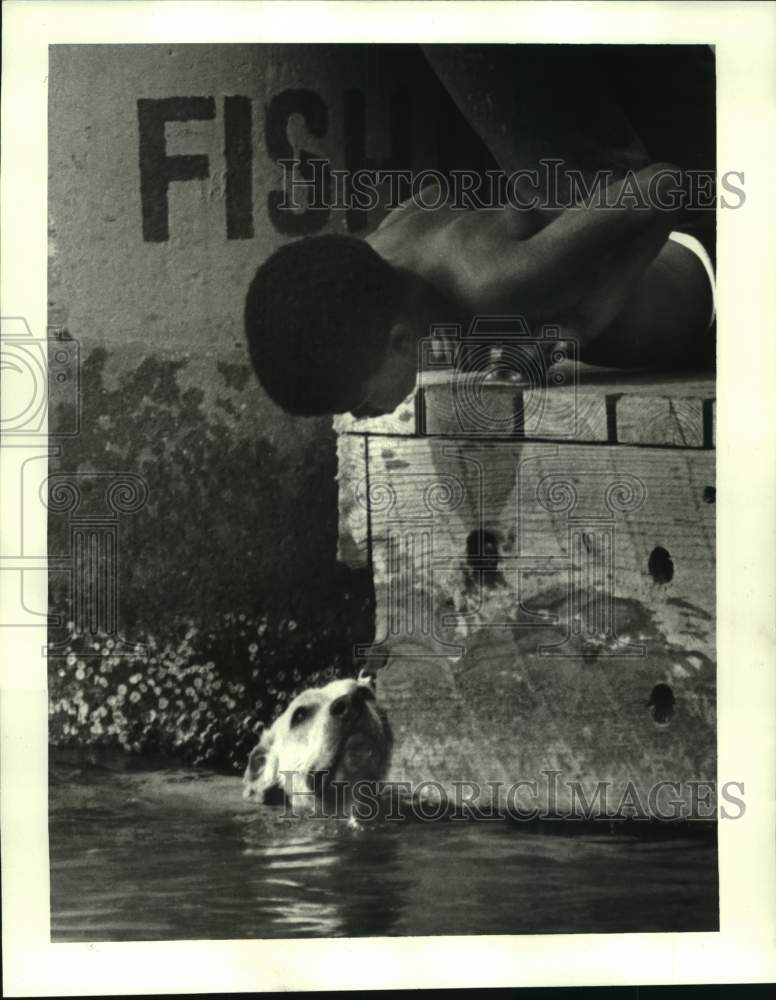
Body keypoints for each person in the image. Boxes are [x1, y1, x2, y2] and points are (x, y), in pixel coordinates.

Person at [244, 45, 716, 419]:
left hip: (710, 283)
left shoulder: (493, 280)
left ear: (400, 342)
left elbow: (664, 186)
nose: (365, 415)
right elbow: (432, 196)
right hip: (625, 237)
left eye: (359, 404)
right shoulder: (382, 255)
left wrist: (580, 326)